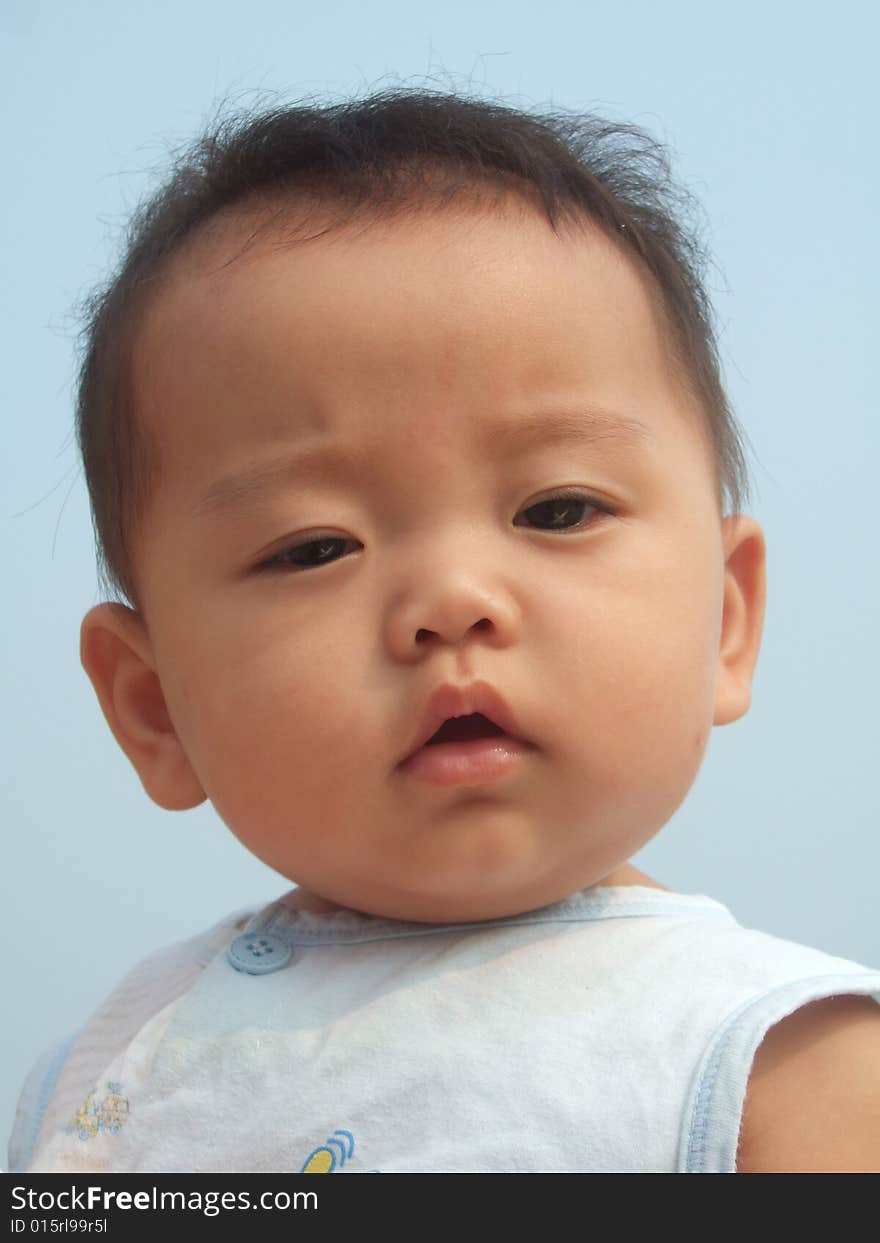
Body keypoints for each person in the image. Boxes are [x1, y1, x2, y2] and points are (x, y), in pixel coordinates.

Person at [10, 89, 880, 1174]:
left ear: (725, 619)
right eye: (313, 547)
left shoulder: (779, 1064)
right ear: (152, 707)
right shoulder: (103, 1067)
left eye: (556, 509)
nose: (452, 600)